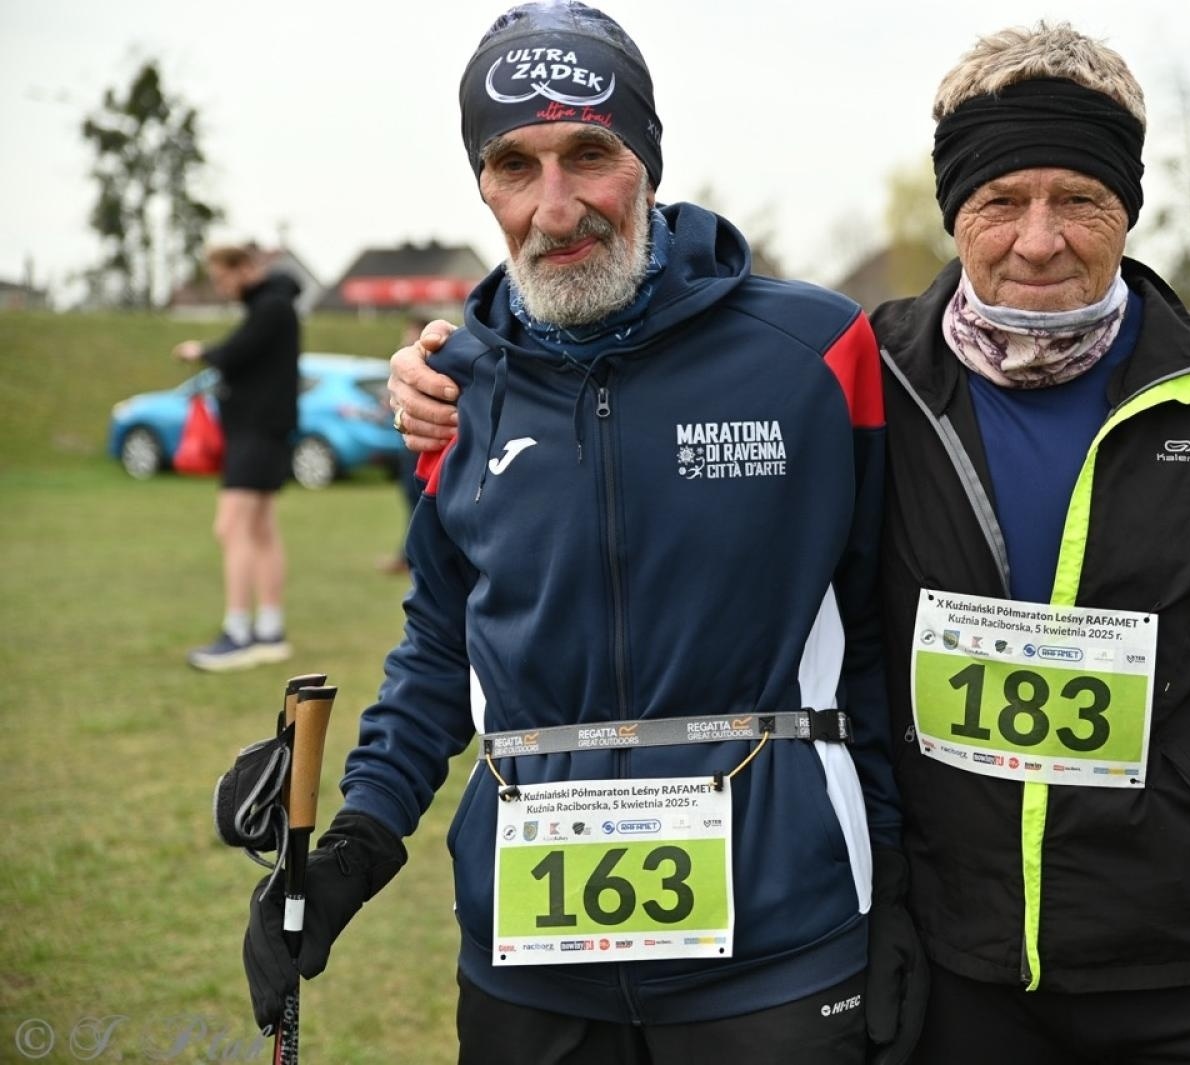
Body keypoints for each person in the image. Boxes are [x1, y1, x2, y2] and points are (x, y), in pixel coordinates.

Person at [389, 20, 1190, 1065]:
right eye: (1001, 202)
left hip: (1188, 953)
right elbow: (644, 384)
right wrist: (453, 363)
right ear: (955, 212)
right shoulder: (869, 373)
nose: (1039, 239)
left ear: (1129, 210)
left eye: (1080, 201)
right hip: (955, 951)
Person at [243, 5, 922, 1064]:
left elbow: (880, 634)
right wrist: (354, 850)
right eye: (514, 165)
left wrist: (900, 890)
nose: (555, 209)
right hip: (528, 962)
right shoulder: (457, 384)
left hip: (780, 954)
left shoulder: (813, 349)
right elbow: (440, 644)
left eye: (589, 156)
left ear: (646, 160)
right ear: (481, 183)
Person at [174, 244, 300, 671]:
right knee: (261, 530)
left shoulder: (272, 307)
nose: (222, 286)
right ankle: (269, 631)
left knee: (231, 528)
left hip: (256, 435)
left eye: (223, 277)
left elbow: (234, 353)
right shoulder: (272, 305)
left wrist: (199, 352)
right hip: (262, 434)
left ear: (245, 268)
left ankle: (239, 632)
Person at [376, 315, 433, 575]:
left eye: (411, 331)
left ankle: (411, 557)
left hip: (423, 447)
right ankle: (409, 555)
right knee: (411, 500)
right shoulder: (407, 365)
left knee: (419, 501)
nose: (406, 336)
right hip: (407, 443)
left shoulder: (432, 363)